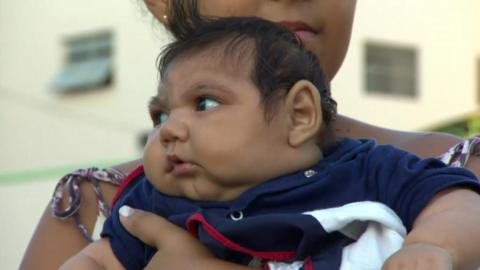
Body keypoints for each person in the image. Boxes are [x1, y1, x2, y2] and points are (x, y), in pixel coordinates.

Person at [19, 1, 480, 269]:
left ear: (301, 112)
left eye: (207, 104)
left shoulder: (446, 176)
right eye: (161, 115)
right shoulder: (108, 204)